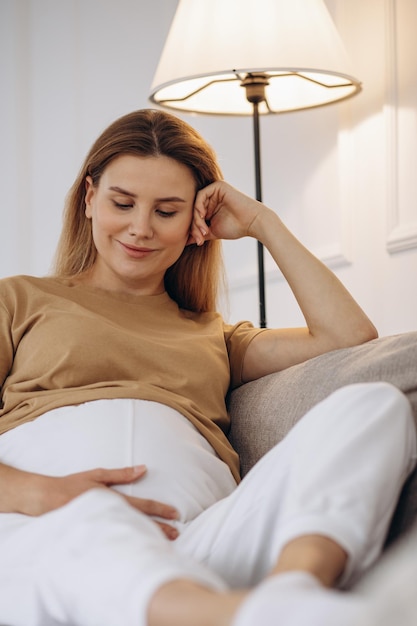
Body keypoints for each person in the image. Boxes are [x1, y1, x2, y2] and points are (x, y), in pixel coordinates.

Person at [0, 108, 415, 626]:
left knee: (374, 406)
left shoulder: (212, 334)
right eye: (122, 203)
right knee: (94, 524)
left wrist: (263, 222)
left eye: (167, 211)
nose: (140, 228)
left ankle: (292, 592)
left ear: (195, 223)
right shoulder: (18, 300)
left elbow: (347, 335)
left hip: (198, 538)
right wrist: (52, 493)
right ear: (89, 198)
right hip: (50, 529)